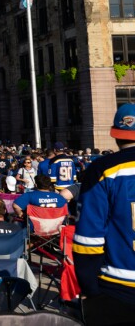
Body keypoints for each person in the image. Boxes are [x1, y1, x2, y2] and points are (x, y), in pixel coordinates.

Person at [74, 104, 135, 323]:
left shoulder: (103, 169)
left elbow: (87, 239)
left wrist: (90, 288)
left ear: (117, 137)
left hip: (119, 284)